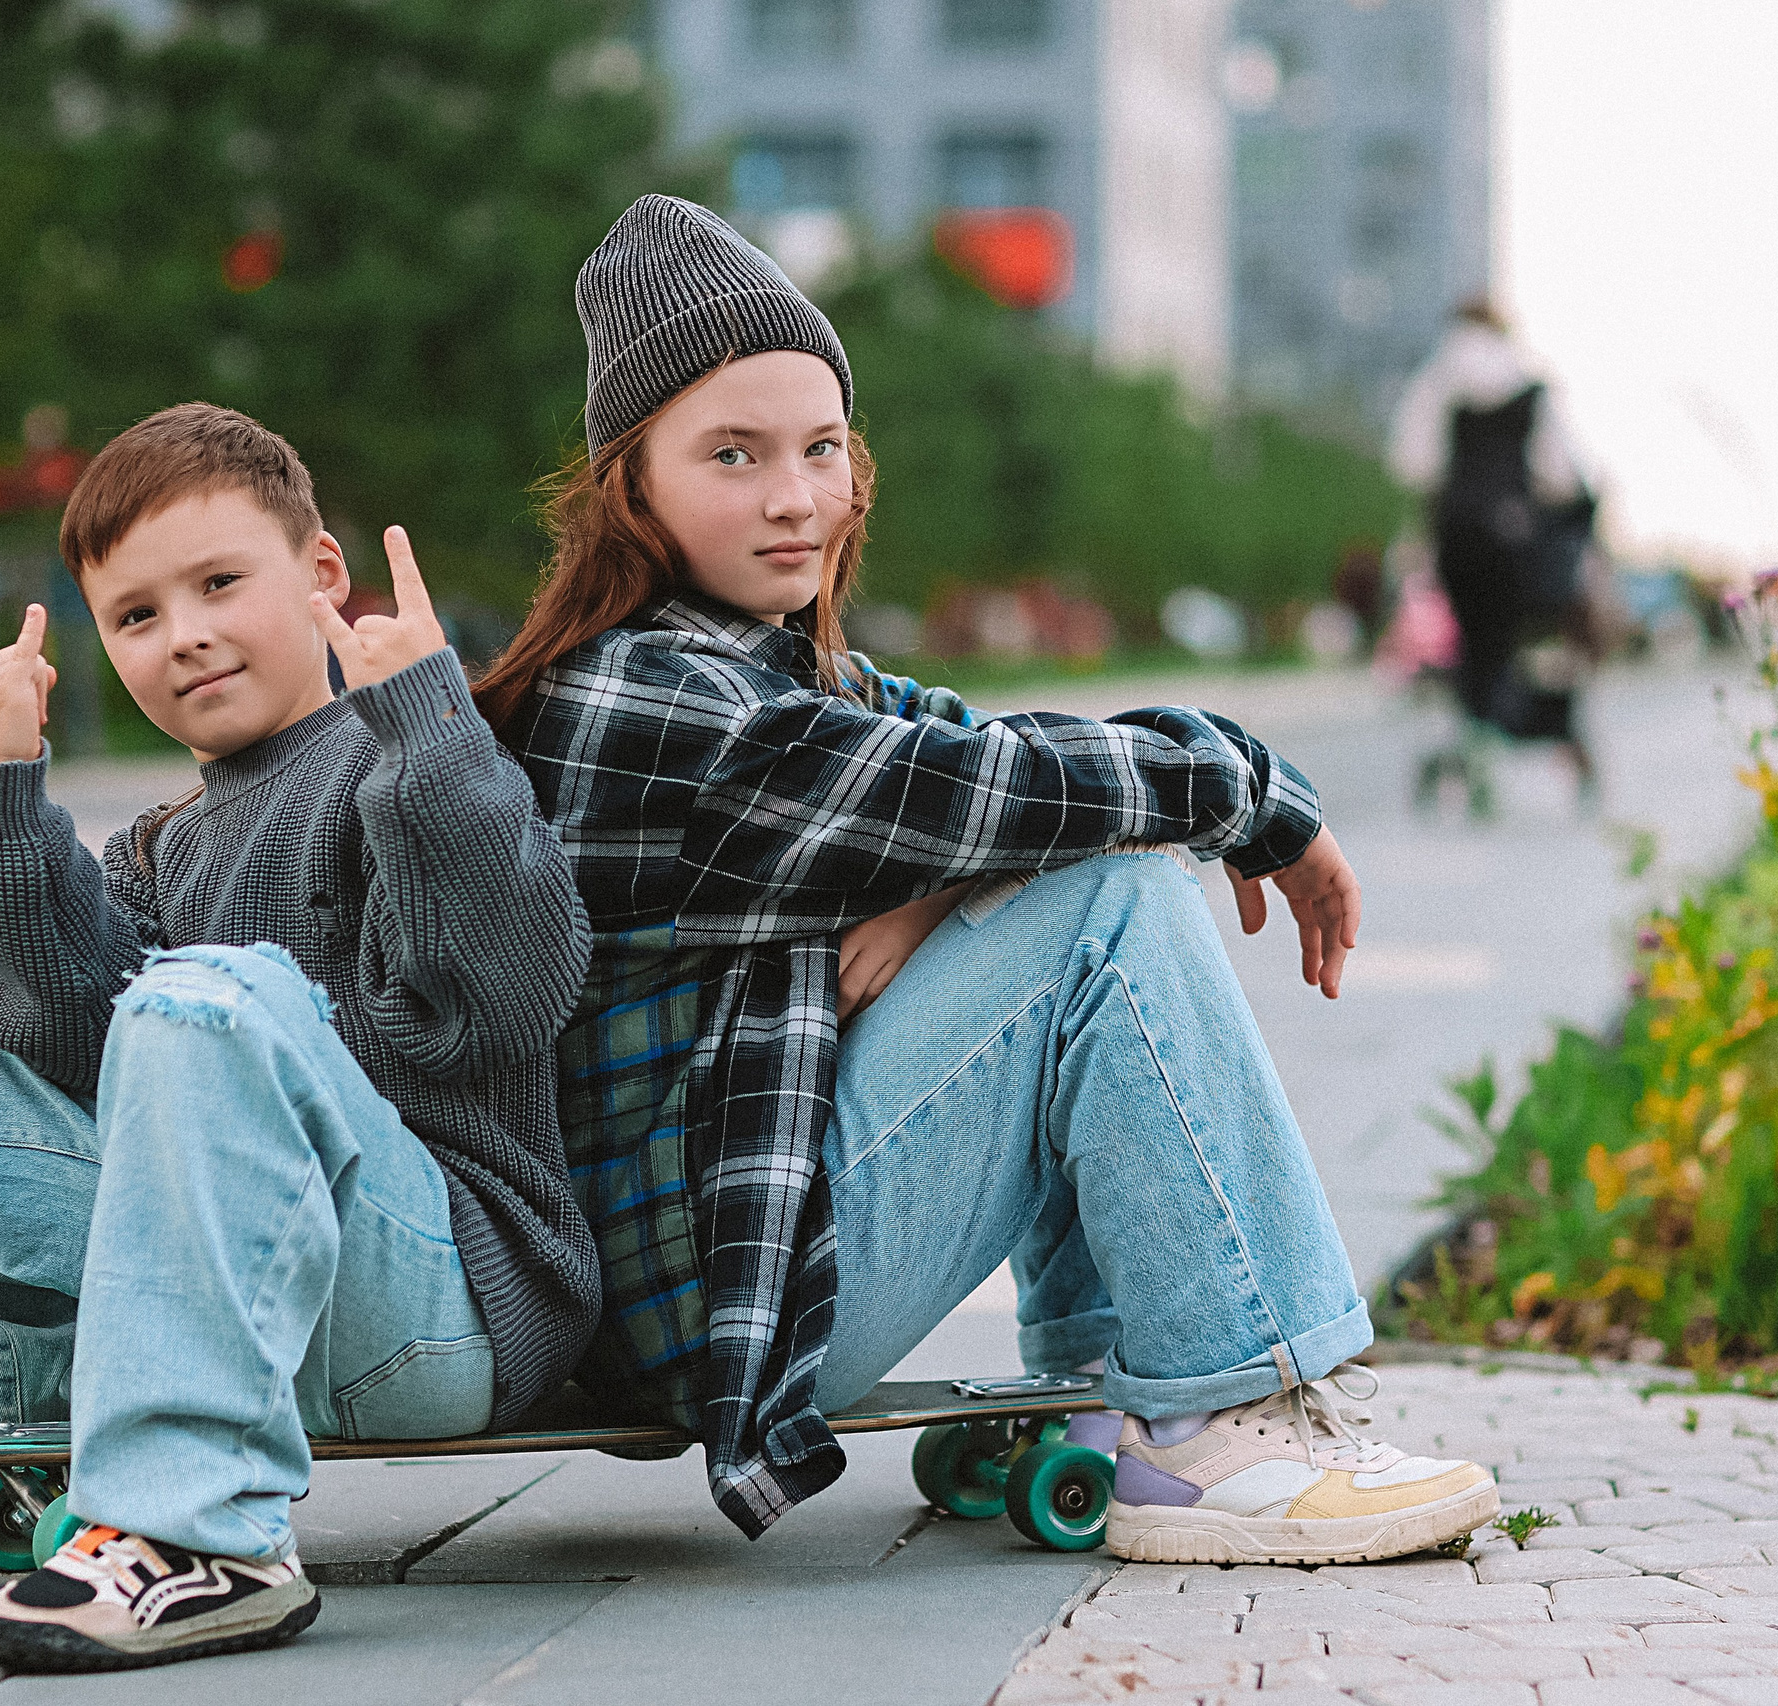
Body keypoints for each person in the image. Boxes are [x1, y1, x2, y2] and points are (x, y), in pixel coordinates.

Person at [474, 195, 1497, 1564]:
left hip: (739, 1255)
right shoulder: (650, 698)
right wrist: (1248, 796)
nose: (795, 495)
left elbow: (979, 759)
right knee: (1110, 900)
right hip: (724, 1302)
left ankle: (1096, 1393)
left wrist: (941, 890)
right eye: (733, 453)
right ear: (632, 486)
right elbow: (1004, 791)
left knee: (1088, 855)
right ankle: (1230, 1418)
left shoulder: (775, 661)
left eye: (820, 448)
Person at [0, 405, 598, 1673]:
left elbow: (499, 998)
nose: (186, 634)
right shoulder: (166, 842)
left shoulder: (411, 758)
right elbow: (64, 1035)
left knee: (213, 995)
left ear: (323, 575)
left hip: (439, 1305)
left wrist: (429, 730)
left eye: (221, 582)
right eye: (135, 615)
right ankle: (4, 1443)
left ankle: (204, 1536)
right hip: (254, 1296)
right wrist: (1, 782)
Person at [1388, 300, 1605, 815]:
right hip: (1516, 543)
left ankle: (1477, 744)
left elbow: (1413, 463)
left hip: (1457, 539)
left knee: (1474, 651)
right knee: (1504, 649)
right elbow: (1559, 474)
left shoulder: (1437, 382)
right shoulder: (1529, 387)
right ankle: (1519, 732)